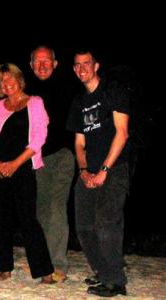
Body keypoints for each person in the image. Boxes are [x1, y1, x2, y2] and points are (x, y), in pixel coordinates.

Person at [0, 63, 54, 283]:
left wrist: (14, 164)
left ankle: (44, 271)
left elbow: (39, 138)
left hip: (22, 169)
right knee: (1, 220)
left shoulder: (35, 103)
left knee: (28, 220)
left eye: (10, 78)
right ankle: (4, 268)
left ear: (20, 80)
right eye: (2, 81)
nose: (6, 83)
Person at [66, 49, 130, 297]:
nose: (82, 69)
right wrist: (83, 170)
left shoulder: (112, 91)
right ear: (74, 69)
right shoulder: (78, 102)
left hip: (115, 168)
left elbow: (121, 132)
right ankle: (103, 273)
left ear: (96, 66)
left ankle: (116, 281)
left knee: (106, 223)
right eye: (77, 65)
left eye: (87, 64)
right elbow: (79, 143)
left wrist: (104, 170)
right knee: (84, 227)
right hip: (88, 170)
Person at [26, 45, 75, 282]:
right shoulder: (25, 90)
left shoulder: (68, 87)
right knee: (40, 209)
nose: (42, 65)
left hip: (62, 155)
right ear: (31, 64)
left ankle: (58, 264)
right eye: (37, 61)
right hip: (35, 157)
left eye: (47, 61)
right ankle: (43, 262)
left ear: (55, 64)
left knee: (56, 208)